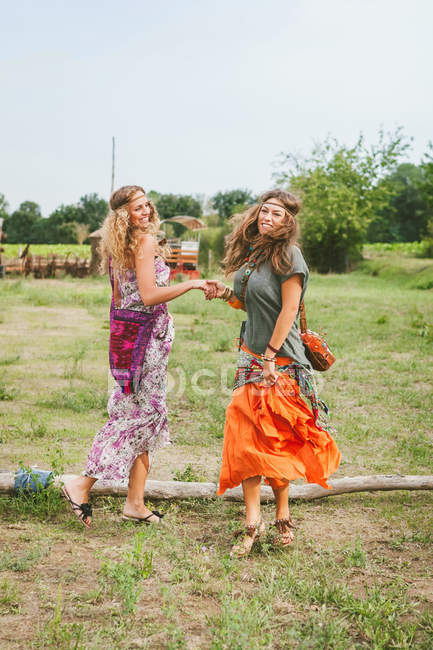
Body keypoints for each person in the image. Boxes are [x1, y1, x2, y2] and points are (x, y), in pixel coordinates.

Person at [63, 185, 212, 527]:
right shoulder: (143, 243)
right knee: (142, 416)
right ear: (123, 215)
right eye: (137, 208)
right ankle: (81, 483)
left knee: (137, 411)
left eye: (147, 205)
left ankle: (135, 502)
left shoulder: (121, 245)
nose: (146, 211)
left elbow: (122, 298)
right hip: (145, 343)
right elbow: (148, 295)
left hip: (128, 339)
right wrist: (192, 284)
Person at [208, 189, 341, 557]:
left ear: (288, 221)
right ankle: (252, 522)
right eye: (264, 211)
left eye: (277, 214)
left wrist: (270, 355)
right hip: (249, 359)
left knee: (276, 440)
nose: (267, 217)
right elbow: (247, 303)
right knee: (245, 439)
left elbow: (288, 310)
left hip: (281, 361)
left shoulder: (290, 256)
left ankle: (283, 512)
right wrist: (224, 294)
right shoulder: (254, 255)